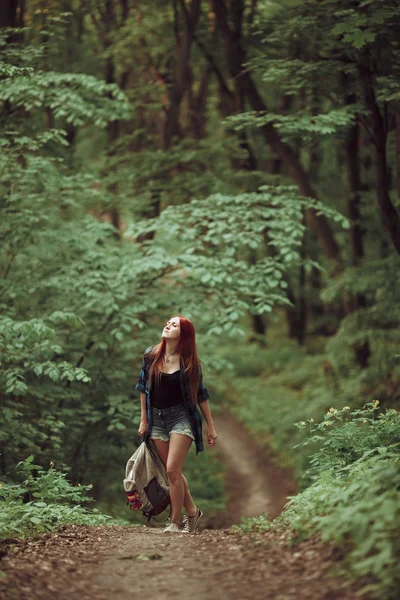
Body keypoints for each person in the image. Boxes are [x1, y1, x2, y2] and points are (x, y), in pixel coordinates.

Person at [135, 315, 217, 533]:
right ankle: (192, 512)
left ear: (183, 335)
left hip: (181, 418)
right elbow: (143, 388)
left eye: (174, 325)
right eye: (168, 323)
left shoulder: (190, 364)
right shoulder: (151, 355)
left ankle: (174, 522)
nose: (168, 325)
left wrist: (210, 425)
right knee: (173, 473)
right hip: (157, 419)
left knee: (172, 469)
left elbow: (201, 395)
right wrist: (144, 419)